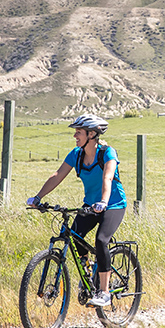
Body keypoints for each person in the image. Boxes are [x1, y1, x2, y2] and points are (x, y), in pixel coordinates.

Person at [27, 115, 127, 307]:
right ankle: (88, 273)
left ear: (92, 134)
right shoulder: (76, 154)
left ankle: (104, 292)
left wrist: (103, 202)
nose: (75, 136)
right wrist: (38, 197)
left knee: (101, 240)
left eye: (79, 132)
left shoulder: (108, 153)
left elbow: (107, 178)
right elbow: (57, 175)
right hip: (91, 204)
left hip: (113, 204)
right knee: (74, 236)